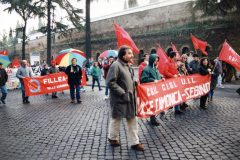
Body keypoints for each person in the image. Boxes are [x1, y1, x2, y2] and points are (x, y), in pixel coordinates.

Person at [107, 45, 144, 151]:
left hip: (130, 98)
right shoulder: (115, 65)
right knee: (116, 119)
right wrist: (122, 93)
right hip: (120, 98)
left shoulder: (128, 65)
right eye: (129, 53)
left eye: (131, 53)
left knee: (133, 119)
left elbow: (126, 80)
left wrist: (134, 83)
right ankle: (112, 138)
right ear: (123, 55)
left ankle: (135, 142)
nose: (132, 55)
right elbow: (110, 82)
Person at [141, 54, 165, 125]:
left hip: (156, 89)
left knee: (155, 103)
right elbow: (144, 79)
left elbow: (157, 74)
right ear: (151, 60)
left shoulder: (155, 67)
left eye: (157, 60)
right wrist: (152, 80)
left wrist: (161, 77)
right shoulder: (146, 69)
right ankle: (152, 119)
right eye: (155, 60)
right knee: (152, 104)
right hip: (151, 90)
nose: (156, 62)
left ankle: (153, 118)